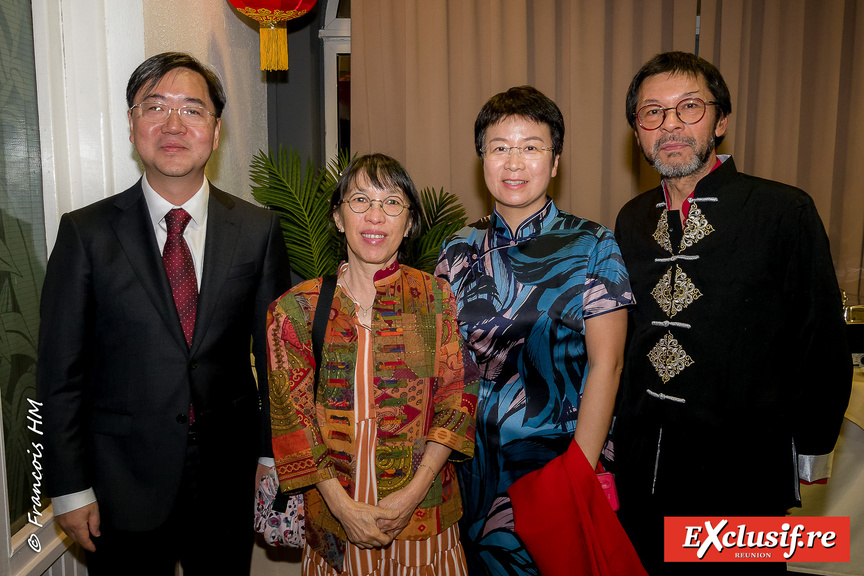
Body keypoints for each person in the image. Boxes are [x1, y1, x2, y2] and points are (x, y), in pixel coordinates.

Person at [36, 52, 291, 575]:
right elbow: (59, 375)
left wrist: (271, 455)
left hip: (227, 476)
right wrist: (66, 486)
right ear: (132, 125)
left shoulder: (257, 230)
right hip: (118, 484)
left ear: (215, 132)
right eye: (155, 107)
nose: (173, 124)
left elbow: (276, 362)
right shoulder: (85, 234)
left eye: (192, 110)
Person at [613, 51, 852, 575]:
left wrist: (813, 444)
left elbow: (819, 336)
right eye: (652, 112)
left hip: (744, 470)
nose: (669, 124)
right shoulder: (631, 219)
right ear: (637, 130)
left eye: (688, 108)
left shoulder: (782, 211)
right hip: (644, 466)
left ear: (721, 120)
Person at [435, 86, 636, 576]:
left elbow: (607, 364)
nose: (514, 161)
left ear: (555, 159)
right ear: (482, 158)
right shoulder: (457, 248)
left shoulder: (592, 243)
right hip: (469, 468)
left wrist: (577, 476)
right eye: (499, 147)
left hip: (556, 462)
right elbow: (441, 365)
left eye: (531, 146)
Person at [267, 153, 480, 575]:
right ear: (339, 217)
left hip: (424, 517)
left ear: (410, 222)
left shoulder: (434, 298)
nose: (376, 216)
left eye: (392, 202)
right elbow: (294, 420)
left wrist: (411, 495)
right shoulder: (297, 310)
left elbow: (458, 400)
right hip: (335, 517)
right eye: (360, 200)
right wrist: (343, 508)